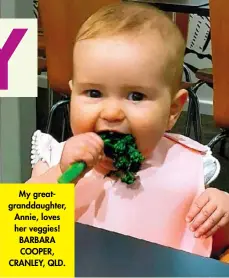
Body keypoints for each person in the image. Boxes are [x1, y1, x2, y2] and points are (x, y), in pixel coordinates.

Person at [27, 2, 229, 257]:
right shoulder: (56, 158)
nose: (112, 113)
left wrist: (221, 213)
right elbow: (23, 238)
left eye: (136, 96)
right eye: (93, 93)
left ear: (172, 111)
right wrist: (61, 174)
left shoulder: (189, 167)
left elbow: (217, 250)